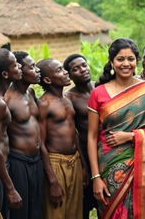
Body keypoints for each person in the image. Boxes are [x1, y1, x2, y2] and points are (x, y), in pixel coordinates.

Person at [87, 38, 145, 218]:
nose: (126, 64)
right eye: (120, 59)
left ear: (136, 61)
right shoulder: (98, 93)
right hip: (108, 166)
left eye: (130, 59)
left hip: (142, 163)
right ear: (111, 62)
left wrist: (131, 136)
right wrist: (96, 178)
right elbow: (92, 137)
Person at [37, 58, 83, 219]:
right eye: (59, 70)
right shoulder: (44, 104)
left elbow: (74, 133)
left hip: (74, 161)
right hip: (56, 163)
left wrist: (83, 165)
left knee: (75, 212)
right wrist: (52, 181)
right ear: (48, 80)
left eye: (63, 69)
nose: (65, 72)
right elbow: (40, 143)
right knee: (56, 212)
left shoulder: (67, 99)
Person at [5, 51, 44, 219]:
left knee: (36, 210)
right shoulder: (6, 99)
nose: (38, 71)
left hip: (37, 160)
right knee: (20, 211)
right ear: (20, 69)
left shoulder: (31, 94)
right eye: (33, 67)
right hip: (18, 161)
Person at [63, 54, 97, 219]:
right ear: (69, 75)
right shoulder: (69, 97)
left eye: (83, 65)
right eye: (75, 69)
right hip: (86, 152)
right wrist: (83, 165)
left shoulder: (101, 87)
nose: (82, 70)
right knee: (84, 203)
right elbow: (72, 133)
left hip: (110, 150)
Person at [0, 48, 22, 218]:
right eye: (15, 64)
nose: (19, 66)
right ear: (5, 74)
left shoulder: (1, 99)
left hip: (1, 169)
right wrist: (10, 188)